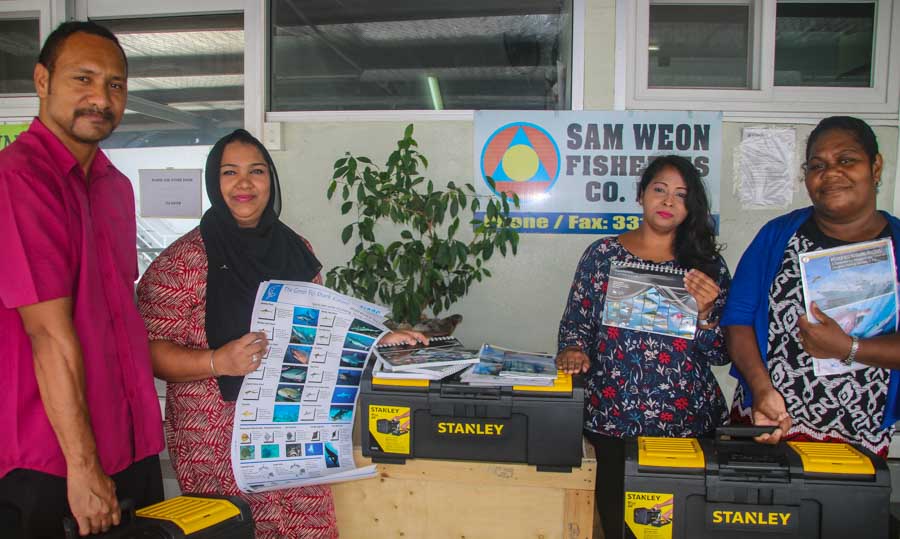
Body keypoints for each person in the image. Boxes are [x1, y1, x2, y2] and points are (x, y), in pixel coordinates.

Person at [137, 129, 425, 538]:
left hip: (294, 428)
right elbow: (151, 352)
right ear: (213, 183)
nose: (244, 183)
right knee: (235, 531)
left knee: (304, 529)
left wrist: (377, 338)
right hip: (218, 443)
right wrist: (218, 361)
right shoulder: (181, 263)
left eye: (256, 171)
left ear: (270, 179)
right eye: (229, 172)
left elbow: (319, 326)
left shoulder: (295, 248)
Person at [0, 21, 164, 538]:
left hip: (130, 445)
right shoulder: (19, 178)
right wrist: (84, 466)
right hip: (54, 462)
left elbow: (116, 317)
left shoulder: (114, 187)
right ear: (42, 80)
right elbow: (47, 333)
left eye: (115, 84)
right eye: (84, 79)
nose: (101, 98)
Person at [556, 155, 730, 539]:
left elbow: (720, 353)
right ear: (641, 195)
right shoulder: (603, 254)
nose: (669, 202)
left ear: (691, 208)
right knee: (621, 523)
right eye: (660, 190)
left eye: (681, 195)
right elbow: (576, 324)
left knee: (682, 524)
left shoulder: (705, 266)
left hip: (686, 420)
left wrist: (704, 315)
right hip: (614, 415)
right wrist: (573, 351)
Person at [722, 116, 900, 457]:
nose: (831, 173)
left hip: (858, 435)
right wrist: (761, 389)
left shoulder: (899, 244)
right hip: (768, 424)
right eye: (817, 165)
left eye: (846, 160)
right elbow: (738, 319)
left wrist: (848, 348)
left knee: (840, 511)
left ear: (875, 167)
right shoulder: (778, 236)